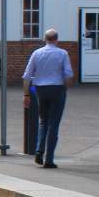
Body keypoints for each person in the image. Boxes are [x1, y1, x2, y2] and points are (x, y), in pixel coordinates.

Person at [21, 27, 74, 169]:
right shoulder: (63, 53)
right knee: (53, 124)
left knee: (43, 121)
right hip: (57, 88)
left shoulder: (37, 53)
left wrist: (26, 94)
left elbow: (27, 76)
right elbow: (68, 74)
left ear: (45, 39)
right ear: (57, 40)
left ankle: (39, 150)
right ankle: (49, 158)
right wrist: (65, 88)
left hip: (40, 89)